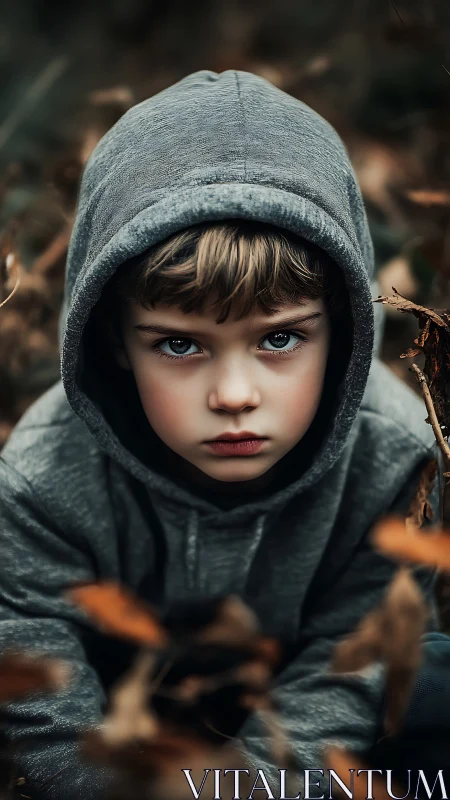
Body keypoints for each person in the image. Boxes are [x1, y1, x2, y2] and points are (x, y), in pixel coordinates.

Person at [0, 69, 440, 800]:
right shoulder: (40, 478)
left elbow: (352, 663)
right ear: (113, 341)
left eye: (279, 340)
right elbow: (32, 672)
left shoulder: (392, 457)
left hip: (289, 743)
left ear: (342, 331)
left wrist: (238, 791)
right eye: (179, 345)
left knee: (436, 681)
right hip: (120, 735)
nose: (234, 396)